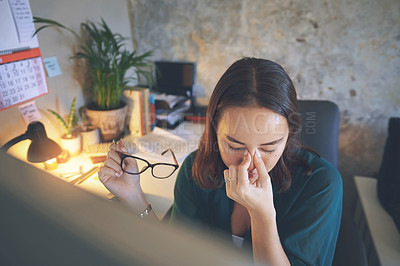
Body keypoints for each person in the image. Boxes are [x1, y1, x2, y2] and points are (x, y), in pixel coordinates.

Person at [98, 57, 343, 265]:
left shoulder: (322, 183)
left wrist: (262, 215)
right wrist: (133, 197)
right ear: (214, 128)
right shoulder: (197, 170)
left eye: (269, 147)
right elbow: (174, 255)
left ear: (290, 133)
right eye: (235, 146)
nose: (250, 162)